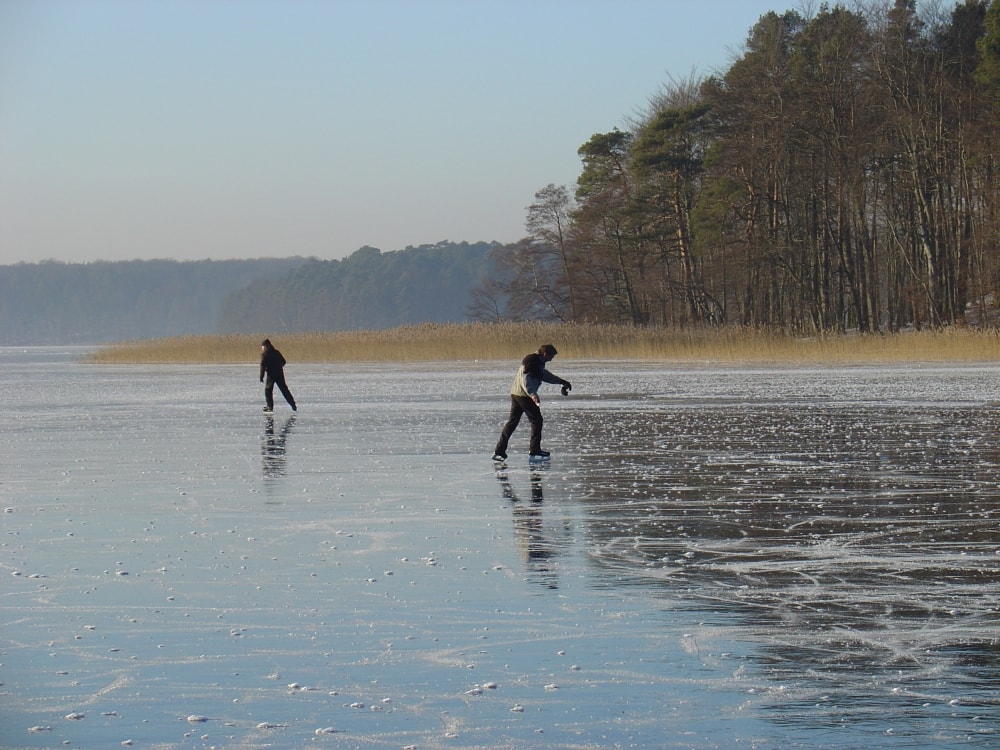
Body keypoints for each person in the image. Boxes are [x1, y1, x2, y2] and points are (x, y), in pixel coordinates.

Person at [493, 343, 571, 461]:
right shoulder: (531, 362)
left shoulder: (537, 362)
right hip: (524, 396)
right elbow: (526, 379)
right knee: (537, 421)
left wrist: (562, 381)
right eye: (551, 357)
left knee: (512, 423)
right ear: (545, 354)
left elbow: (544, 375)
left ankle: (499, 450)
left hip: (517, 393)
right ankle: (534, 450)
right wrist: (533, 394)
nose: (551, 360)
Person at [259, 338, 297, 413]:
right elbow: (284, 362)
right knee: (284, 390)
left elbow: (262, 365)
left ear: (266, 346)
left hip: (271, 375)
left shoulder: (264, 354)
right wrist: (278, 367)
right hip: (279, 373)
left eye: (263, 346)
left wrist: (261, 376)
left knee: (268, 390)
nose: (262, 348)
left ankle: (270, 406)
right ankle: (293, 405)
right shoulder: (276, 352)